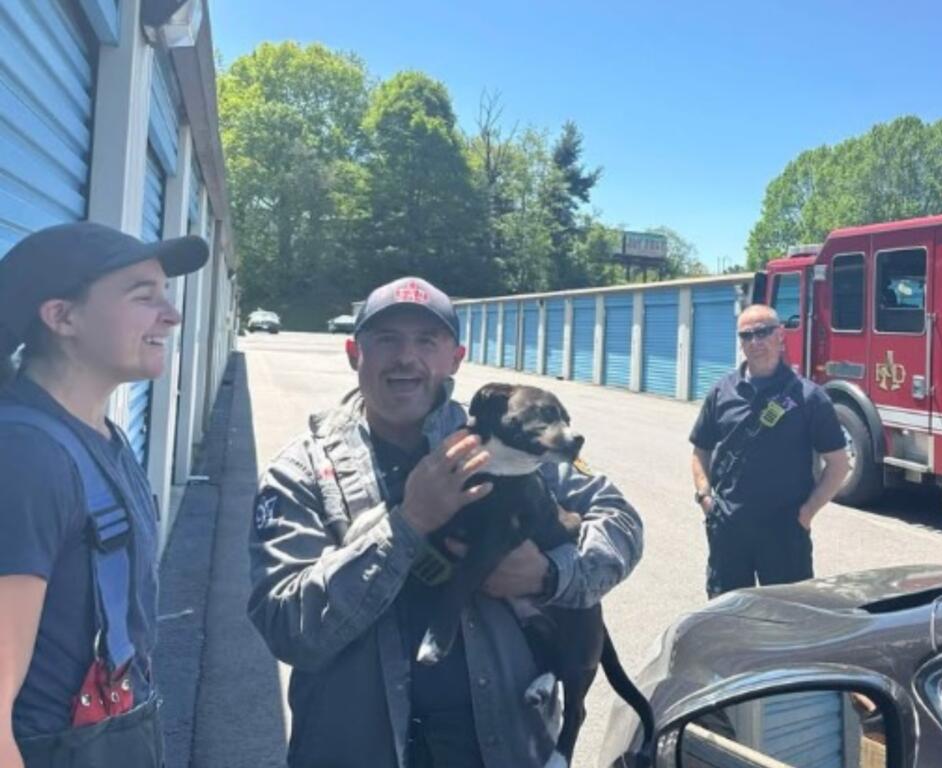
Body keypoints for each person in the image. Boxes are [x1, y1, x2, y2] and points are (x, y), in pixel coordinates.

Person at [247, 276, 643, 768]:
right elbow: (288, 627)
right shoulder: (303, 471)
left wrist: (551, 574)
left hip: (499, 748)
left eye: (427, 341)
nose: (406, 358)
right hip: (354, 749)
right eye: (387, 338)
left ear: (456, 358)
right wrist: (407, 525)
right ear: (354, 353)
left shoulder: (509, 441)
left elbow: (621, 521)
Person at [0, 222, 208, 768]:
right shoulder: (26, 457)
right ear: (62, 317)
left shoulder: (102, 436)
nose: (172, 314)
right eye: (144, 296)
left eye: (166, 294)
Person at [689, 304, 850, 599]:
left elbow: (839, 464)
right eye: (747, 335)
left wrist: (807, 513)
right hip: (729, 528)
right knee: (727, 618)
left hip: (785, 532)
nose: (755, 342)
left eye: (763, 332)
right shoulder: (721, 393)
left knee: (790, 619)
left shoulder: (809, 397)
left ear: (780, 336)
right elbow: (701, 449)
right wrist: (705, 498)